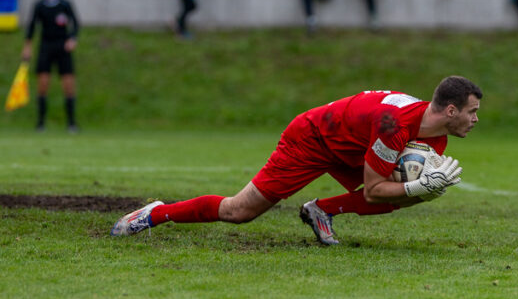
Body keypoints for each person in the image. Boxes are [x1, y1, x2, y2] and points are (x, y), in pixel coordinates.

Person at [111, 77, 481, 246]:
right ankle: (155, 214)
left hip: (351, 144)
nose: (476, 119)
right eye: (472, 111)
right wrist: (418, 185)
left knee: (410, 192)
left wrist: (420, 189)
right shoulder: (394, 126)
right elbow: (373, 190)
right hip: (312, 138)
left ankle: (321, 211)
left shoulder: (435, 136)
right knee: (239, 211)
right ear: (450, 110)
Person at [20, 0, 80, 133]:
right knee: (43, 84)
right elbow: (32, 26)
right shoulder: (39, 4)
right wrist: (27, 46)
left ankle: (71, 123)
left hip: (63, 47)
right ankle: (40, 123)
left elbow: (75, 23)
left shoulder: (65, 4)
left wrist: (72, 39)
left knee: (68, 85)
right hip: (45, 46)